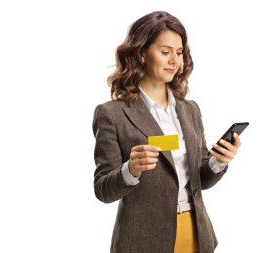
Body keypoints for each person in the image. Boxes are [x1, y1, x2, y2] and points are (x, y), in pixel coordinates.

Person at [92, 11, 242, 253]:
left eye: (179, 52)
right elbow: (102, 189)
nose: (175, 60)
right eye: (165, 52)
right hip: (144, 241)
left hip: (196, 235)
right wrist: (130, 169)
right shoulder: (112, 114)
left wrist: (217, 162)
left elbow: (199, 179)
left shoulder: (190, 110)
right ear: (142, 53)